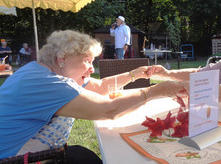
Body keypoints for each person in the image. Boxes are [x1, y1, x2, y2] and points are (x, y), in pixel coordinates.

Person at [0, 30, 187, 163]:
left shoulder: (43, 71)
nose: (91, 68)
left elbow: (101, 86)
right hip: (13, 158)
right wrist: (156, 91)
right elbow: (108, 109)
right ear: (62, 59)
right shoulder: (49, 83)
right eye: (87, 61)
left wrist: (135, 74)